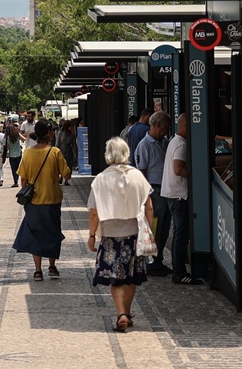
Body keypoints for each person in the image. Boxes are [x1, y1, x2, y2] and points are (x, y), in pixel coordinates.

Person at [88, 136, 155, 332]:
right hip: (134, 234)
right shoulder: (137, 176)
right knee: (130, 276)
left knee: (114, 277)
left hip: (110, 235)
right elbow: (149, 207)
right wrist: (149, 231)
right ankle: (127, 310)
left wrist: (92, 235)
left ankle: (121, 314)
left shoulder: (101, 179)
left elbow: (94, 212)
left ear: (108, 155)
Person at [13, 120, 71, 279]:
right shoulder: (55, 152)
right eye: (51, 130)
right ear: (47, 133)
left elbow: (23, 180)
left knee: (35, 234)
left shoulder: (28, 153)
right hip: (52, 199)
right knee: (53, 233)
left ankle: (38, 270)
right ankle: (52, 266)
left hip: (33, 201)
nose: (53, 133)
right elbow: (67, 175)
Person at [162, 113, 202, 285]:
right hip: (179, 195)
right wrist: (195, 179)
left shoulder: (174, 141)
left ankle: (179, 270)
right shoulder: (181, 145)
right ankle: (179, 272)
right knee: (181, 235)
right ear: (185, 127)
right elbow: (178, 169)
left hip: (173, 194)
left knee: (179, 233)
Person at [132, 111, 172, 276]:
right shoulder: (145, 145)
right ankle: (151, 262)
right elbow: (141, 172)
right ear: (155, 125)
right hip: (153, 190)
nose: (165, 132)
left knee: (163, 228)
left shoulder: (164, 142)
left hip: (165, 189)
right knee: (154, 227)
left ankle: (157, 259)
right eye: (163, 128)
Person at [4, 121, 24, 187]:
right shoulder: (17, 134)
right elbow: (24, 139)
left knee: (13, 168)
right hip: (18, 153)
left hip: (11, 154)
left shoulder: (6, 137)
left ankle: (15, 181)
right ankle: (17, 179)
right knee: (18, 167)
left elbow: (4, 145)